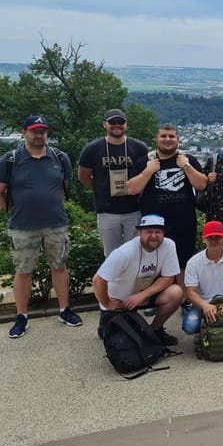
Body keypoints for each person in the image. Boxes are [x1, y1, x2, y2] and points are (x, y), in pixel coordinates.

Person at [0, 116, 81, 338]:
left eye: (43, 131)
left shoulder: (60, 157)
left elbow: (63, 188)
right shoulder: (10, 160)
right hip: (22, 225)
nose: (39, 135)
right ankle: (21, 316)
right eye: (35, 131)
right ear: (24, 132)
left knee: (60, 266)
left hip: (55, 223)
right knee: (23, 270)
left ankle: (64, 310)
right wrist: (18, 209)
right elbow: (1, 191)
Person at [127, 124, 207, 275]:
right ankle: (158, 297)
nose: (167, 139)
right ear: (156, 139)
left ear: (178, 140)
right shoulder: (145, 162)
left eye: (171, 136)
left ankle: (184, 298)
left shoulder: (188, 159)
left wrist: (186, 166)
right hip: (154, 226)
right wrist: (147, 172)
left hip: (184, 224)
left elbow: (201, 185)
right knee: (153, 266)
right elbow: (131, 189)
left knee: (184, 265)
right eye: (163, 136)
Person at [92, 214, 183, 345]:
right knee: (123, 340)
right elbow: (98, 280)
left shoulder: (169, 245)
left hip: (144, 295)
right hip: (119, 301)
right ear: (139, 232)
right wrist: (107, 303)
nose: (154, 236)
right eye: (149, 231)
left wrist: (142, 295)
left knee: (176, 292)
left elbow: (168, 278)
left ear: (163, 233)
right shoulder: (124, 253)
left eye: (158, 232)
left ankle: (155, 330)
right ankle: (107, 320)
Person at [77, 108, 149, 256]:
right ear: (104, 124)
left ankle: (131, 280)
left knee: (135, 253)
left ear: (126, 124)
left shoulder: (139, 148)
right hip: (107, 211)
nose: (117, 125)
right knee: (111, 256)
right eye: (112, 122)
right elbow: (83, 176)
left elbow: (146, 174)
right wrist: (100, 188)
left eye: (120, 122)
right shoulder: (92, 149)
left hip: (134, 209)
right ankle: (112, 280)